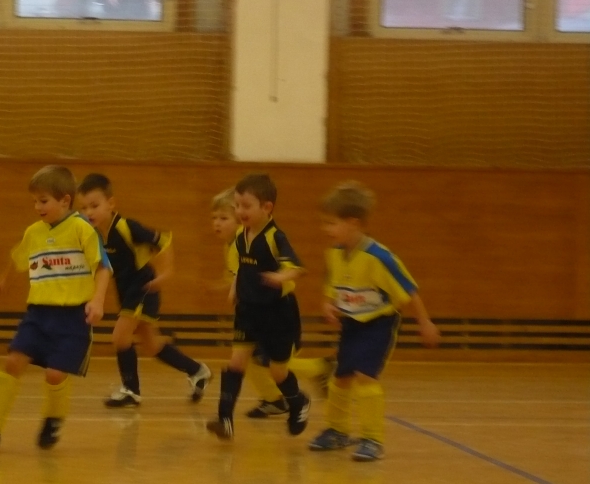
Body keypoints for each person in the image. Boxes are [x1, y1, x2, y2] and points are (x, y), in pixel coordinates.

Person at [0, 165, 111, 450]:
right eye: (34, 201)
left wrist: (98, 300)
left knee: (54, 374)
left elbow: (103, 267)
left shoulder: (82, 229)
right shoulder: (34, 232)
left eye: (43, 201)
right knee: (12, 362)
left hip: (72, 317)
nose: (37, 207)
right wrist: (6, 277)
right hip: (38, 314)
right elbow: (18, 255)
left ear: (65, 200)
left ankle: (53, 418)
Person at [309, 181, 440, 461]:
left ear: (353, 223)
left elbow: (408, 291)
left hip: (379, 324)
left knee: (365, 377)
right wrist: (328, 303)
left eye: (331, 223)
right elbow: (330, 280)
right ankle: (337, 430)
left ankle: (372, 439)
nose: (325, 229)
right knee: (341, 377)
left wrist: (425, 322)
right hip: (352, 324)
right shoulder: (334, 252)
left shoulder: (379, 258)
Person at [77, 173, 210, 408]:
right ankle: (198, 371)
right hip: (126, 291)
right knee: (152, 345)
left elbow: (165, 241)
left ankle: (131, 390)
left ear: (111, 203)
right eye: (84, 207)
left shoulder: (127, 227)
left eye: (94, 206)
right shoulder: (95, 234)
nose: (89, 212)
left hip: (143, 288)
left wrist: (166, 274)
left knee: (120, 337)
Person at [209, 189, 334, 419]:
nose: (217, 223)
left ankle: (319, 368)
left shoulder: (255, 240)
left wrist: (275, 279)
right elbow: (240, 275)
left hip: (276, 309)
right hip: (253, 309)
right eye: (214, 218)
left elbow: (289, 268)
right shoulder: (233, 245)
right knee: (250, 360)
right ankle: (274, 400)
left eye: (223, 218)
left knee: (272, 362)